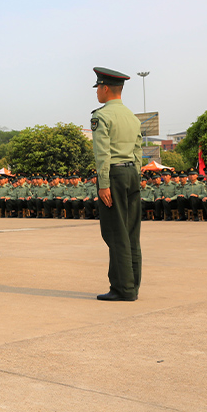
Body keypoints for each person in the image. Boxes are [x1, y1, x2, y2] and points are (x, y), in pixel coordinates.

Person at [90, 67, 142, 302]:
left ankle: (122, 289)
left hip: (113, 176)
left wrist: (103, 184)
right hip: (131, 174)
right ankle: (133, 285)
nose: (97, 93)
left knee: (115, 233)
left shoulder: (101, 116)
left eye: (98, 88)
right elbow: (138, 151)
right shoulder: (132, 116)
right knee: (131, 233)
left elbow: (103, 154)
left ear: (105, 88)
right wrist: (136, 177)